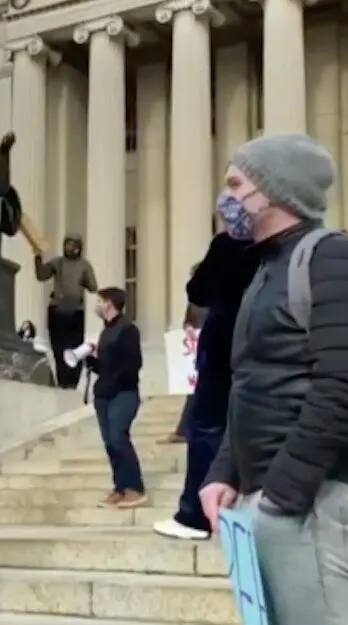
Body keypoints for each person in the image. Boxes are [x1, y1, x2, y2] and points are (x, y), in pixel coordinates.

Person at [199, 133, 348, 625]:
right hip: (272, 500)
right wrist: (224, 471)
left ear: (275, 190)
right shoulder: (265, 269)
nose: (227, 198)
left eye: (236, 184)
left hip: (311, 504)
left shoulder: (333, 258)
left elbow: (344, 385)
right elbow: (252, 384)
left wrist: (283, 494)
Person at [154, 210, 260, 539]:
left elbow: (197, 290)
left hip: (224, 348)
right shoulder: (280, 247)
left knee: (207, 428)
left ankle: (195, 515)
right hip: (264, 348)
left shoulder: (227, 245)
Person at [85, 287, 146, 508]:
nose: (97, 305)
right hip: (103, 394)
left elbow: (134, 363)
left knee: (119, 437)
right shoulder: (105, 332)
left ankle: (135, 488)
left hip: (123, 392)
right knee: (110, 442)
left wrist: (114, 378)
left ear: (110, 303)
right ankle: (119, 487)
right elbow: (105, 366)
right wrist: (92, 362)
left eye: (100, 301)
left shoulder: (128, 329)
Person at [36, 233, 99, 389]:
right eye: (67, 244)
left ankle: (72, 382)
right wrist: (38, 257)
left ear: (79, 247)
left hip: (75, 311)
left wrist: (85, 279)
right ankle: (63, 381)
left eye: (72, 245)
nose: (69, 247)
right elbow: (41, 275)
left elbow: (93, 287)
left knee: (75, 347)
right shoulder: (57, 263)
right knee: (58, 348)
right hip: (58, 310)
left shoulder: (84, 265)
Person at [159, 269, 207, 446]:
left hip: (214, 348)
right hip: (195, 351)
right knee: (193, 392)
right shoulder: (194, 302)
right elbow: (188, 321)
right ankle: (184, 430)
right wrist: (188, 328)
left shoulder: (220, 295)